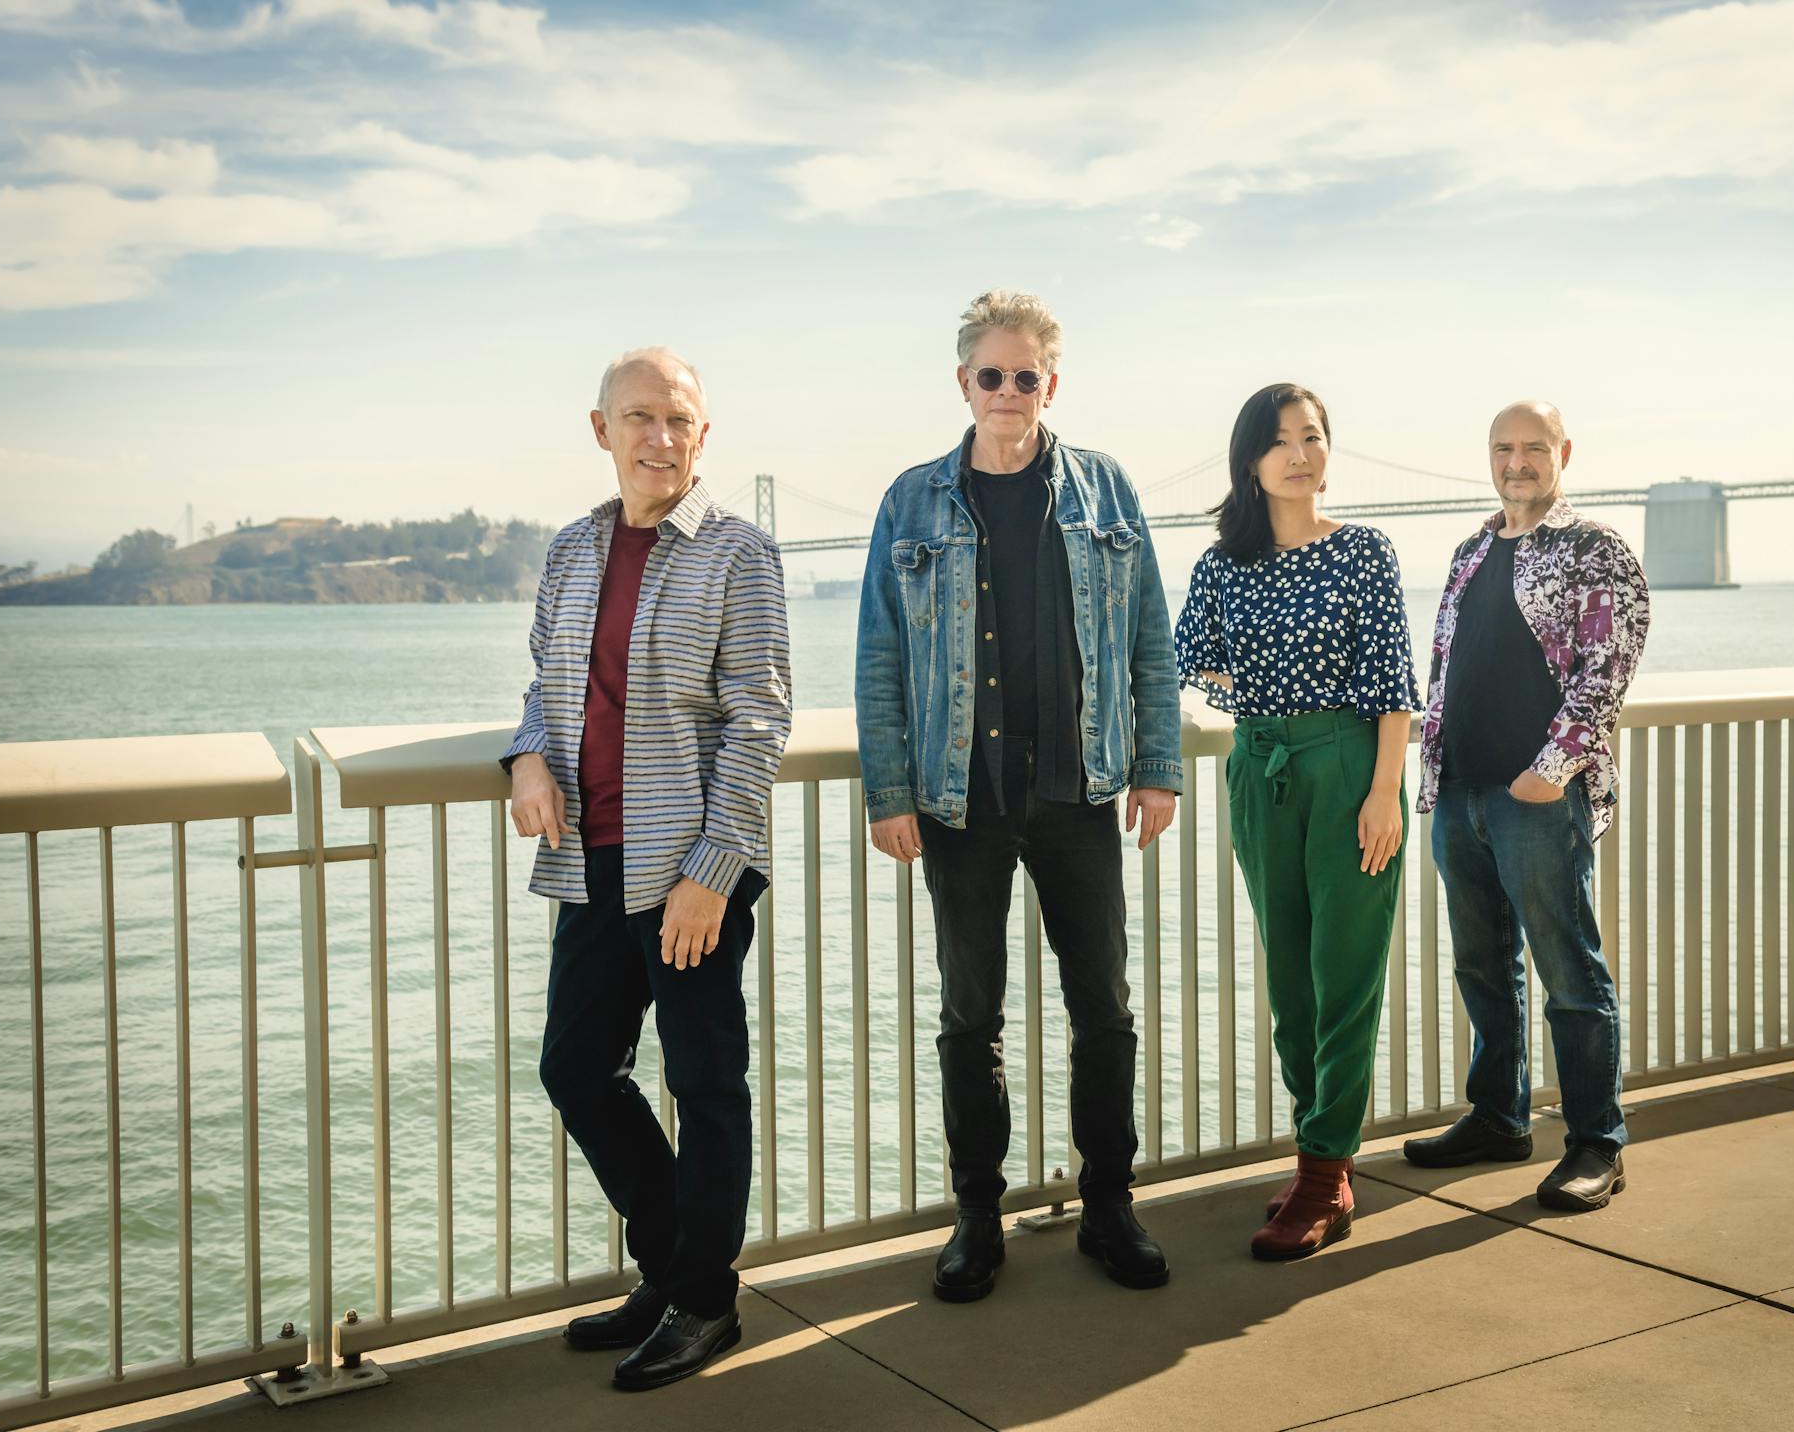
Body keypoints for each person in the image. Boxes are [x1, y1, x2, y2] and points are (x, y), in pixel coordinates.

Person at [854, 289, 1183, 1302]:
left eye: (1024, 376)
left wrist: (1159, 766)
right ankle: (975, 1221)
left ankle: (1111, 1206)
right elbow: (877, 658)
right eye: (989, 376)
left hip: (1081, 789)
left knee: (1107, 1010)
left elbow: (1149, 646)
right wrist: (890, 791)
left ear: (1051, 383)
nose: (1006, 392)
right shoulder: (912, 501)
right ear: (964, 384)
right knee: (970, 1018)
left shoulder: (1109, 491)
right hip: (961, 800)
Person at [503, 347, 792, 1388]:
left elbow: (760, 722)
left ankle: (705, 1305)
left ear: (703, 434)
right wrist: (529, 754)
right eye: (640, 418)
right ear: (602, 430)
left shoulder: (739, 553)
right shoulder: (572, 549)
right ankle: (676, 1265)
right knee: (576, 1069)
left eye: (678, 420)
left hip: (690, 867)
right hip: (590, 860)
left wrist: (713, 873)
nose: (660, 438)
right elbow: (547, 684)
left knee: (707, 1082)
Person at [1173, 383, 1419, 1260]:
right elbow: (1188, 659)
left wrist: (1383, 791)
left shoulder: (1363, 553)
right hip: (1261, 771)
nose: (1301, 454)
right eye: (1281, 441)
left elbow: (1394, 686)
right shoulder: (1219, 566)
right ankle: (1322, 1153)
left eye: (1313, 437)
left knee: (1345, 972)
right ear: (1250, 460)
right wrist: (1259, 698)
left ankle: (1323, 1178)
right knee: (1292, 978)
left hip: (1353, 768)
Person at [1405, 400, 1650, 1212]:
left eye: (1534, 449)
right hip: (1461, 793)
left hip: (1538, 798)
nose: (1518, 462)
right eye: (1504, 449)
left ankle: (1595, 1144)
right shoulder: (1473, 548)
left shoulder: (1593, 548)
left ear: (1563, 454)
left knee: (1569, 970)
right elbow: (1446, 667)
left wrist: (1551, 771)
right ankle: (1499, 1117)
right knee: (1483, 967)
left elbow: (1607, 668)